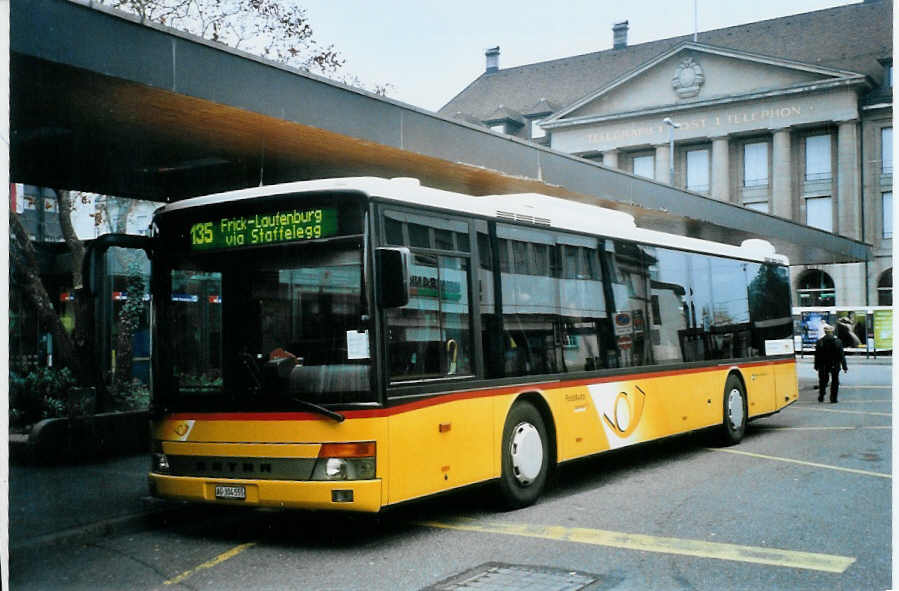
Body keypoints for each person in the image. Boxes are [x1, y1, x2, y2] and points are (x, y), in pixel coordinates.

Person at [814, 324, 847, 403]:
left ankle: (821, 395)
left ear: (825, 332)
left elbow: (817, 355)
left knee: (822, 381)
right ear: (832, 332)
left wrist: (816, 365)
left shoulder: (820, 342)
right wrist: (844, 366)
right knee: (835, 381)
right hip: (834, 365)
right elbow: (841, 355)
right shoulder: (838, 341)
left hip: (823, 365)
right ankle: (833, 398)